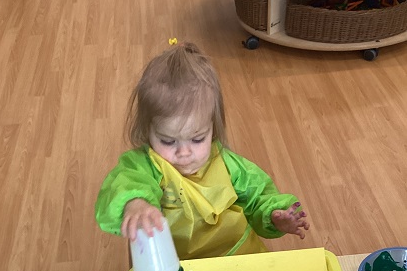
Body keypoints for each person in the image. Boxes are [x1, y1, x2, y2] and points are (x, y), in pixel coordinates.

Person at [95, 41, 309, 259]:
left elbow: (258, 197)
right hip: (171, 265)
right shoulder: (145, 164)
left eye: (197, 139)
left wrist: (274, 215)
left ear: (213, 128)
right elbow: (126, 182)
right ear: (147, 130)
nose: (184, 153)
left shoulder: (228, 165)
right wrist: (136, 203)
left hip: (235, 256)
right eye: (168, 142)